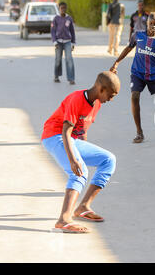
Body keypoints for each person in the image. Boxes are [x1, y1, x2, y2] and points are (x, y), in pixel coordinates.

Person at [41, 71, 120, 233]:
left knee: (108, 159)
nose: (111, 100)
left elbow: (82, 130)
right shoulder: (77, 99)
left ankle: (83, 207)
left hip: (72, 140)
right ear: (101, 89)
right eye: (111, 95)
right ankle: (64, 219)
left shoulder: (97, 101)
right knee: (79, 171)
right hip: (54, 136)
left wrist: (81, 151)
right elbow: (65, 132)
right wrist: (73, 159)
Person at [110, 12, 155, 143]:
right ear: (147, 24)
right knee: (134, 96)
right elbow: (128, 48)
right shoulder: (138, 35)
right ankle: (139, 132)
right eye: (151, 24)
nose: (153, 26)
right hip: (137, 73)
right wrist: (116, 63)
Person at [51, 2, 76, 84]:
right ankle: (56, 76)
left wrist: (73, 43)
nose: (63, 10)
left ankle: (71, 79)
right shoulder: (56, 18)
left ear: (66, 9)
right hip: (58, 42)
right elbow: (53, 31)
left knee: (69, 59)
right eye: (61, 8)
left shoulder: (69, 18)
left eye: (64, 8)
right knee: (58, 60)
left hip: (67, 42)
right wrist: (54, 42)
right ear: (59, 9)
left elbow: (72, 31)